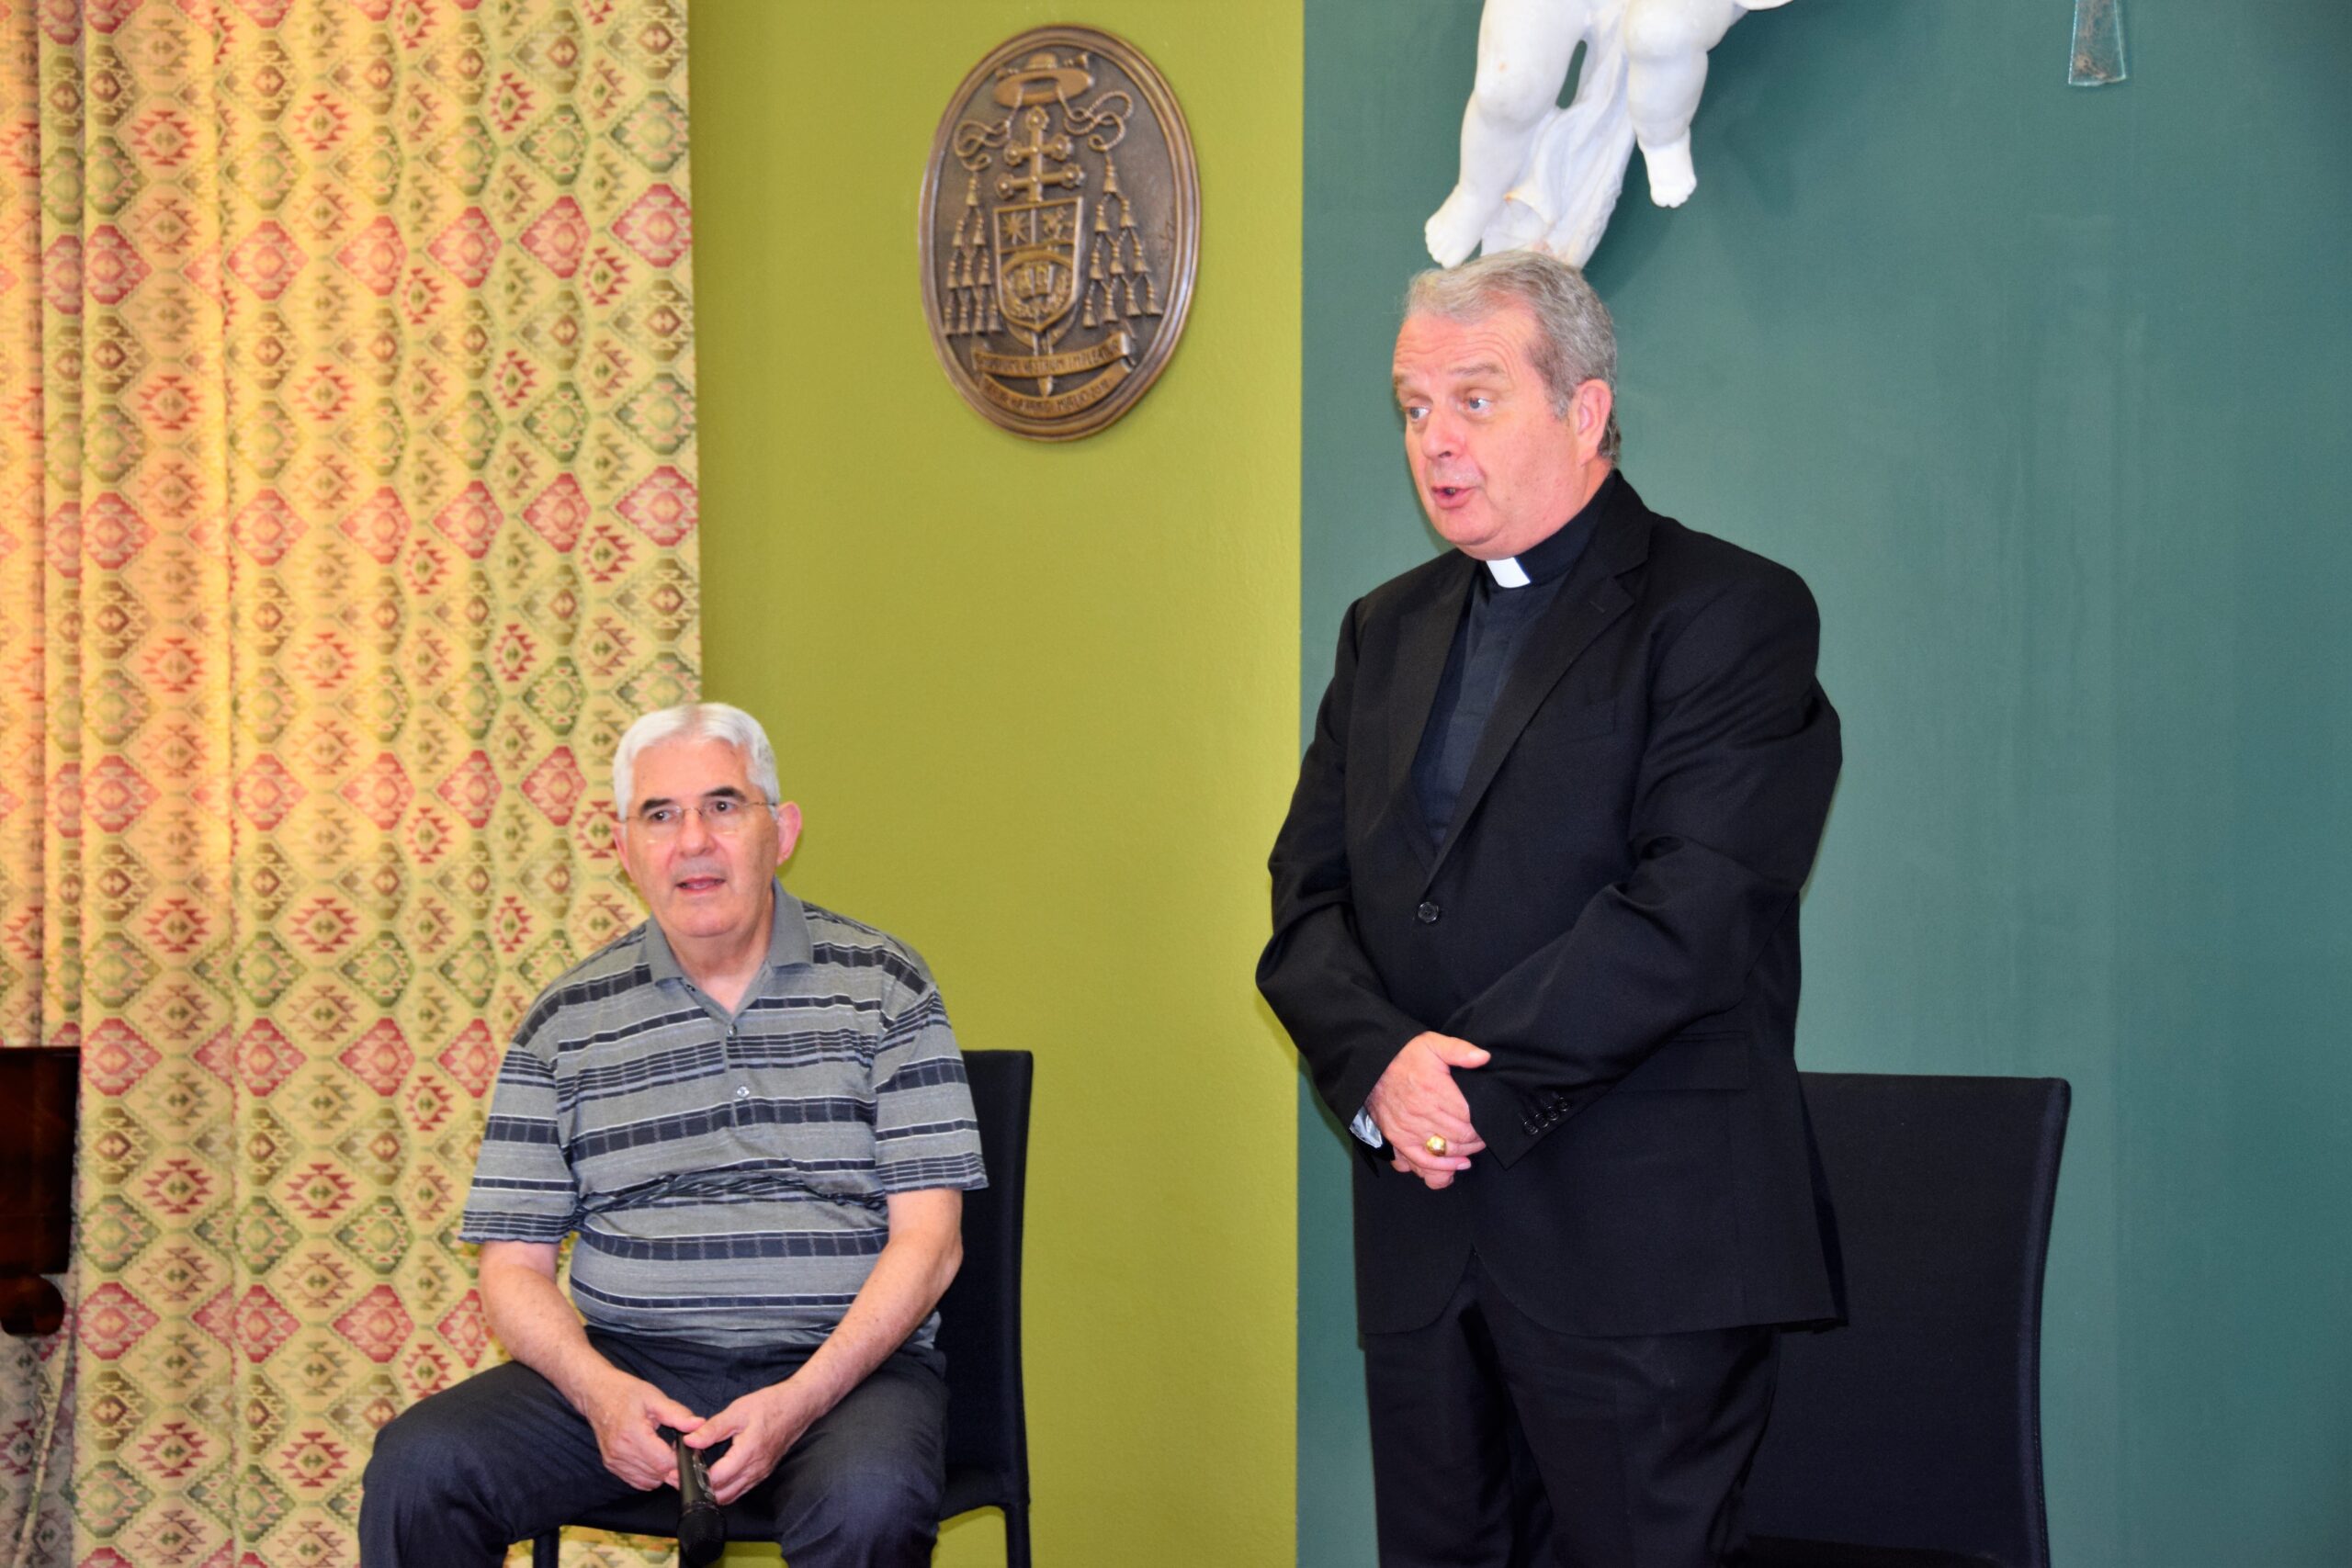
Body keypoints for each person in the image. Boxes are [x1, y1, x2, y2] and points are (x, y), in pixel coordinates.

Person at [1258, 250, 1841, 1566]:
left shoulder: (1732, 611)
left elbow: (1692, 908)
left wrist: (1458, 1088)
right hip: (1425, 1239)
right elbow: (1306, 898)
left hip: (1641, 1247)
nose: (1435, 439)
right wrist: (1380, 1065)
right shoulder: (1383, 629)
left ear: (1584, 411)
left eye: (1475, 399)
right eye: (1414, 407)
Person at [361, 703, 986, 1567]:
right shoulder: (564, 1021)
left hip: (842, 1373)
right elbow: (512, 1268)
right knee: (420, 1466)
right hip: (629, 1368)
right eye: (660, 814)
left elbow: (932, 1240)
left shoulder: (885, 985)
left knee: (870, 1503)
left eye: (723, 805)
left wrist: (800, 1399)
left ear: (783, 830)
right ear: (624, 847)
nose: (693, 839)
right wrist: (599, 1392)